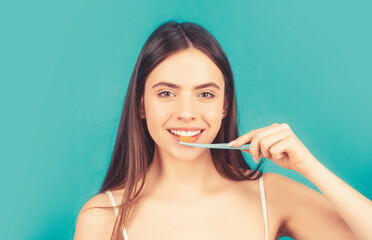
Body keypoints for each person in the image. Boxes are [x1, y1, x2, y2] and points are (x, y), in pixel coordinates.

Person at [74, 21, 371, 240]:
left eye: (205, 94)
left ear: (225, 106)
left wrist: (310, 167)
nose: (186, 113)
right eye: (166, 93)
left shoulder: (269, 194)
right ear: (141, 105)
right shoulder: (103, 217)